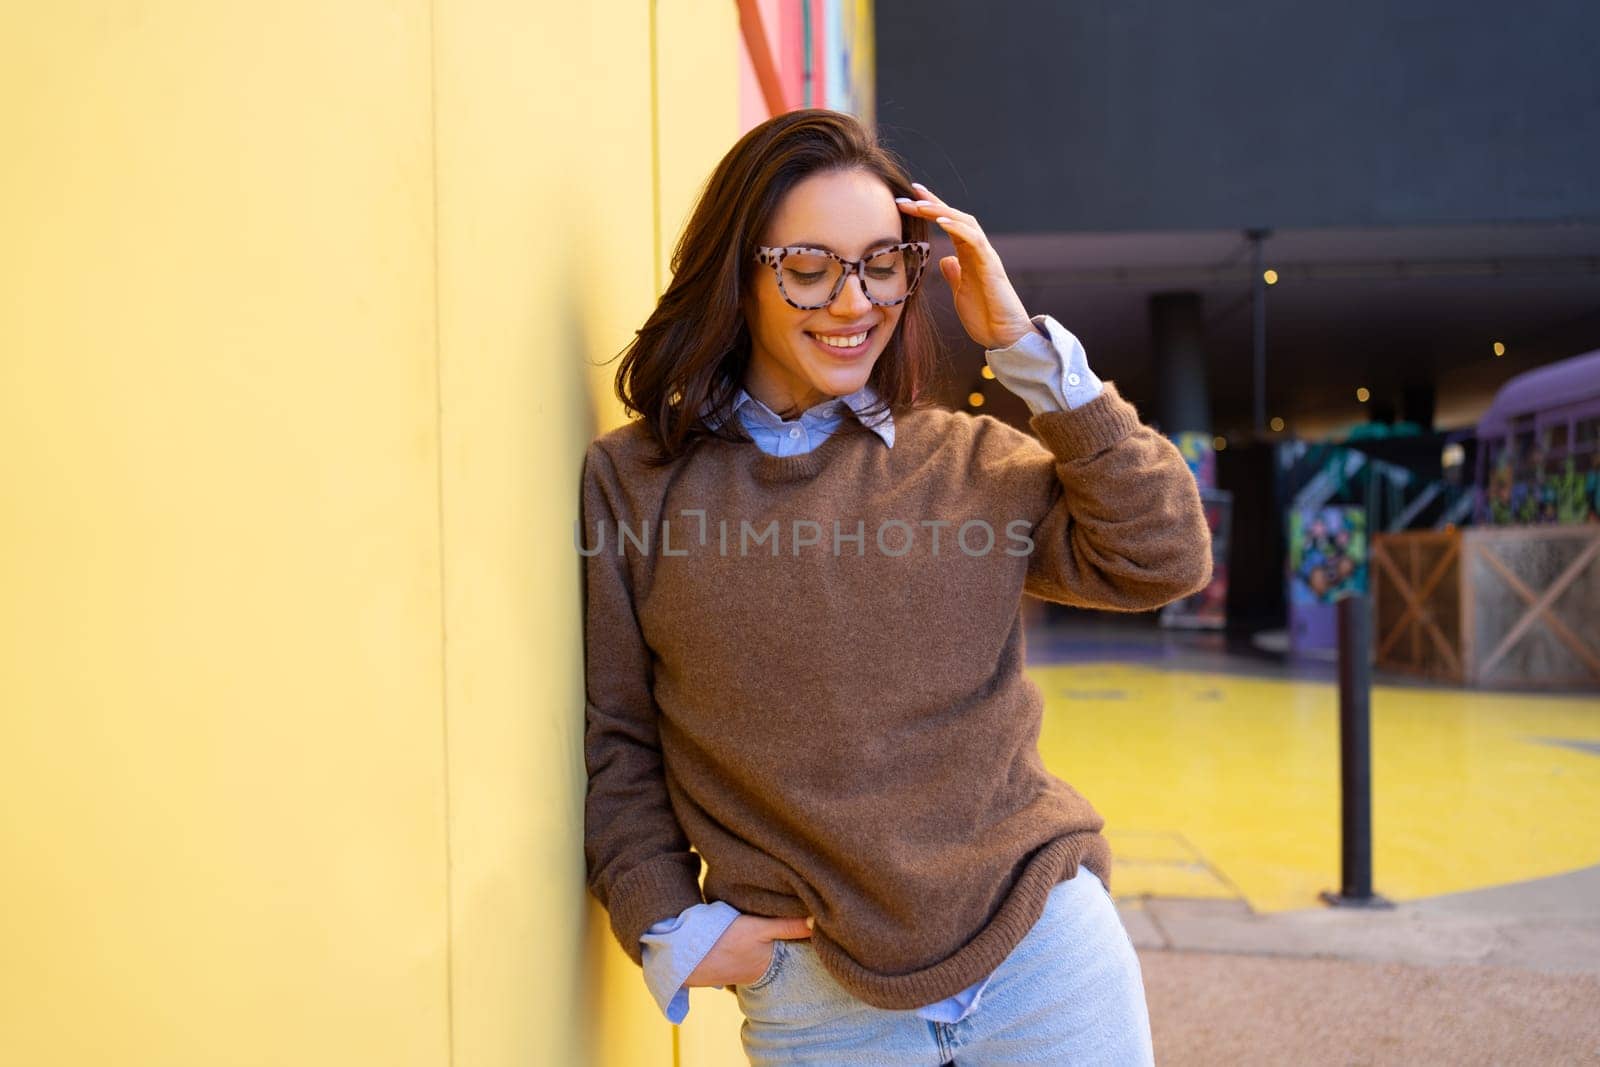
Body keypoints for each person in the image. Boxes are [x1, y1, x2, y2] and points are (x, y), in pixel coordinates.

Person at [579, 108, 1211, 1065]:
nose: (853, 300)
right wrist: (668, 924)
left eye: (881, 263)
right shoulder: (636, 484)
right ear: (736, 273)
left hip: (1046, 962)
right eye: (809, 264)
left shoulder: (970, 463)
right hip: (821, 998)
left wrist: (1029, 352)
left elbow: (1161, 554)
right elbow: (618, 738)